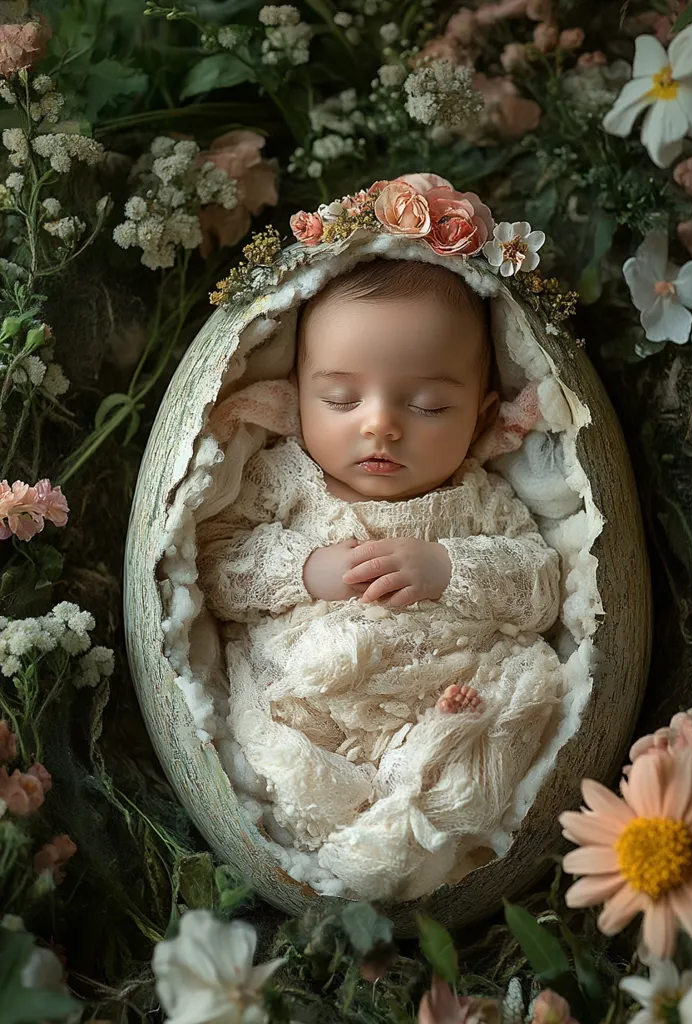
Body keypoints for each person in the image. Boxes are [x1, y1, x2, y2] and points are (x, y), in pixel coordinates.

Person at [197, 258, 563, 900]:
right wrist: (307, 569)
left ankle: (425, 773)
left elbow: (538, 589)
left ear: (478, 418)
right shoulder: (283, 481)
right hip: (313, 694)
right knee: (291, 761)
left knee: (519, 699)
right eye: (341, 399)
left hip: (450, 681)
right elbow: (219, 568)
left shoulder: (478, 502)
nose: (380, 424)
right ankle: (357, 832)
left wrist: (450, 567)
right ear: (297, 395)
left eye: (428, 406)